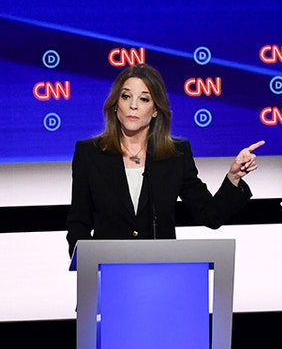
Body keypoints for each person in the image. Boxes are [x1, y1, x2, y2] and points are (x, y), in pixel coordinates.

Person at [66, 63, 262, 257]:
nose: (133, 105)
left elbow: (210, 215)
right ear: (116, 104)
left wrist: (233, 178)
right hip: (108, 274)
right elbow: (78, 225)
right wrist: (90, 264)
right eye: (126, 96)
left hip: (162, 273)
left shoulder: (176, 155)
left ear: (155, 110)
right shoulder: (89, 154)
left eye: (144, 99)